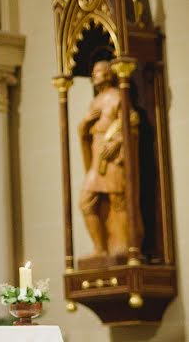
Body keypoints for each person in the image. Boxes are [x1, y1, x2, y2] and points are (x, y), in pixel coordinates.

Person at [78, 60, 138, 260]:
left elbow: (131, 121)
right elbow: (86, 129)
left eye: (99, 72)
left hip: (113, 155)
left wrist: (118, 142)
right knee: (86, 202)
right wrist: (85, 123)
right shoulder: (95, 101)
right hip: (98, 154)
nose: (95, 76)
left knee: (118, 200)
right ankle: (100, 249)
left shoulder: (117, 96)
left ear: (108, 75)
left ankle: (126, 246)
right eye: (94, 72)